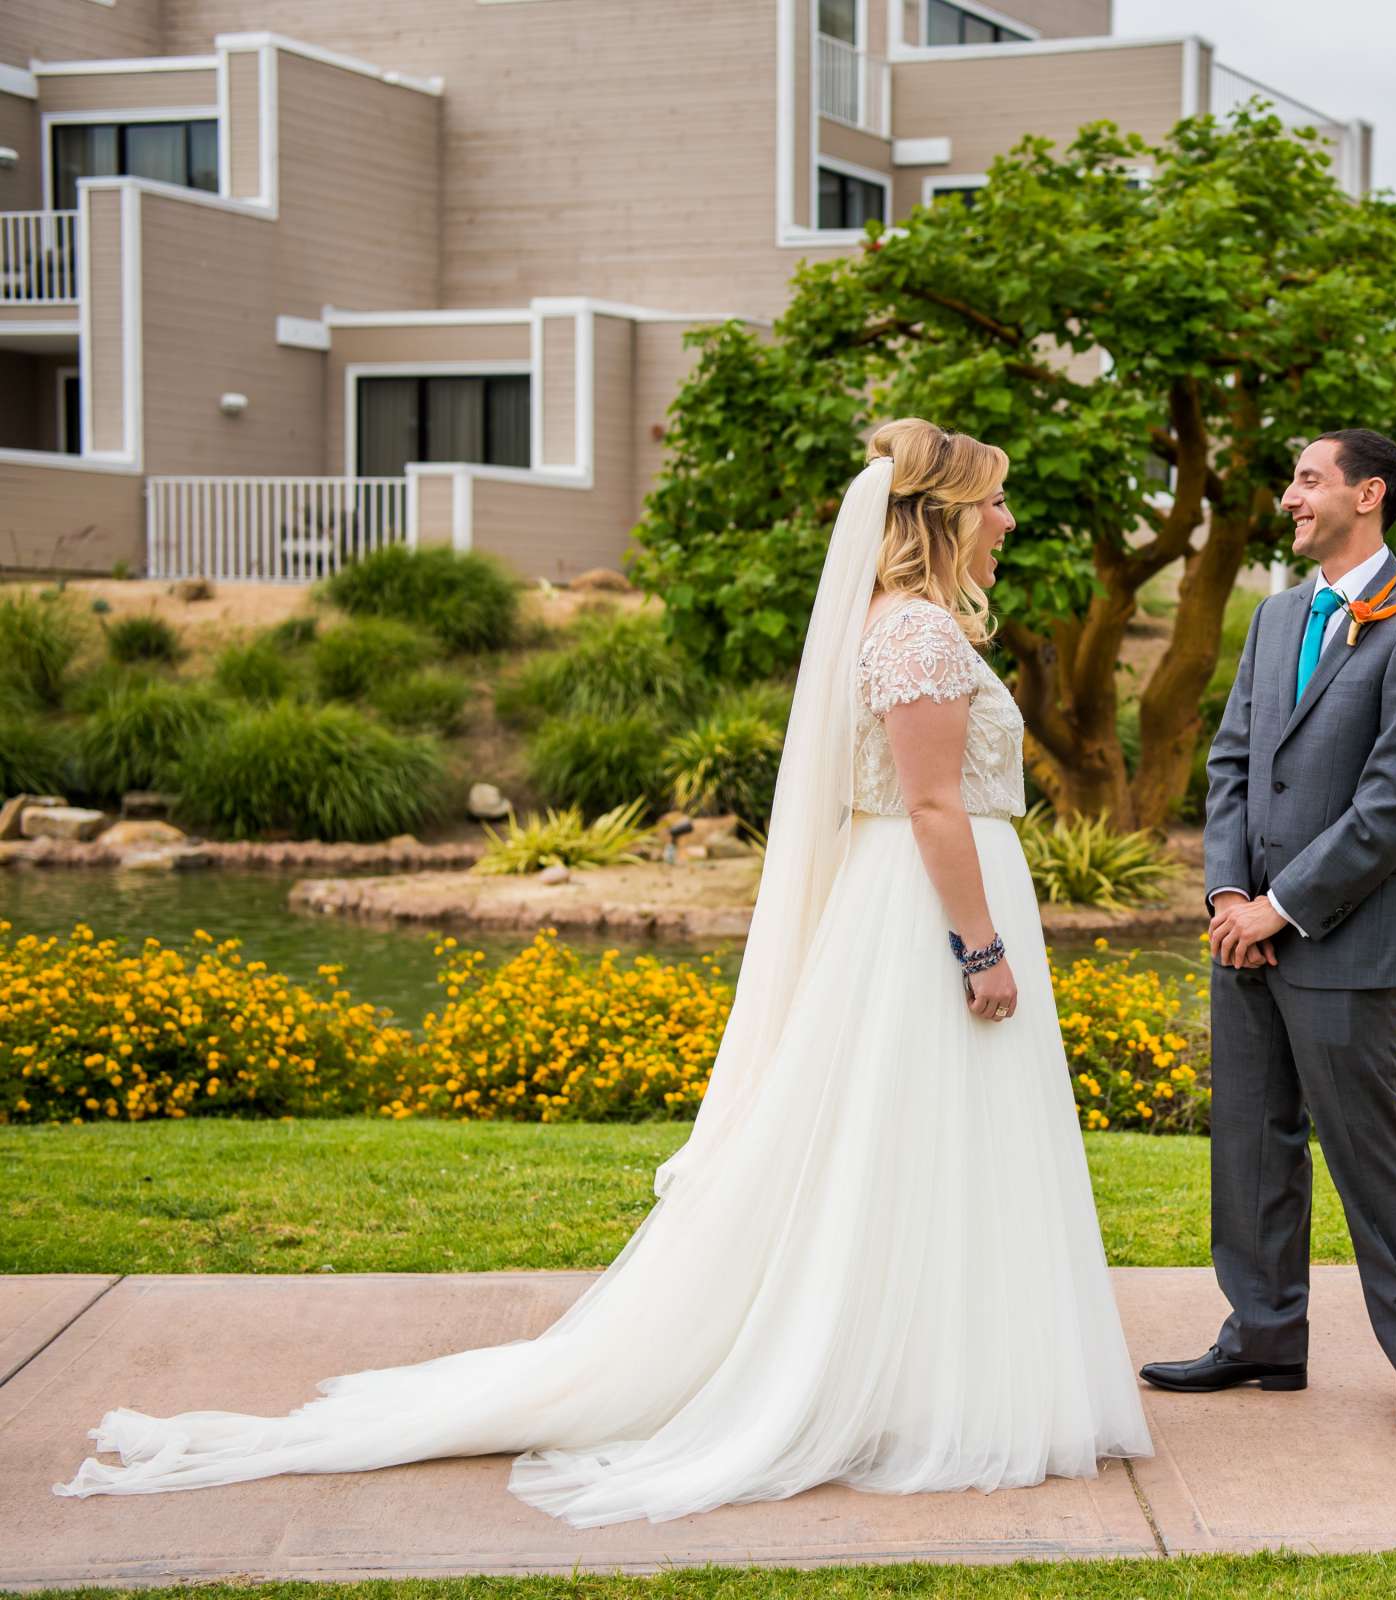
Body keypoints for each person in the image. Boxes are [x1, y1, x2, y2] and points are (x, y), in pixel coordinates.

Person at [54, 419, 1154, 1525]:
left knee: (924, 1146)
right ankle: (915, 1385)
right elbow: (927, 806)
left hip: (918, 904)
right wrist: (982, 946)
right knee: (923, 1137)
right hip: (929, 916)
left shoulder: (900, 623)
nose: (1008, 522)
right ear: (945, 516)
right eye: (996, 503)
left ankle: (929, 1374)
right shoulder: (915, 633)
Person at [1140, 428, 1396, 1438]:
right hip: (1244, 934)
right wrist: (1227, 893)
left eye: (1308, 480)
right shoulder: (1278, 617)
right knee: (1249, 1145)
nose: (1290, 497)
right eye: (1292, 481)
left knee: (1368, 1156)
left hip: (1345, 942)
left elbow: (1394, 803)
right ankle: (1266, 1333)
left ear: (1367, 494)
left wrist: (1280, 908)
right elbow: (1232, 762)